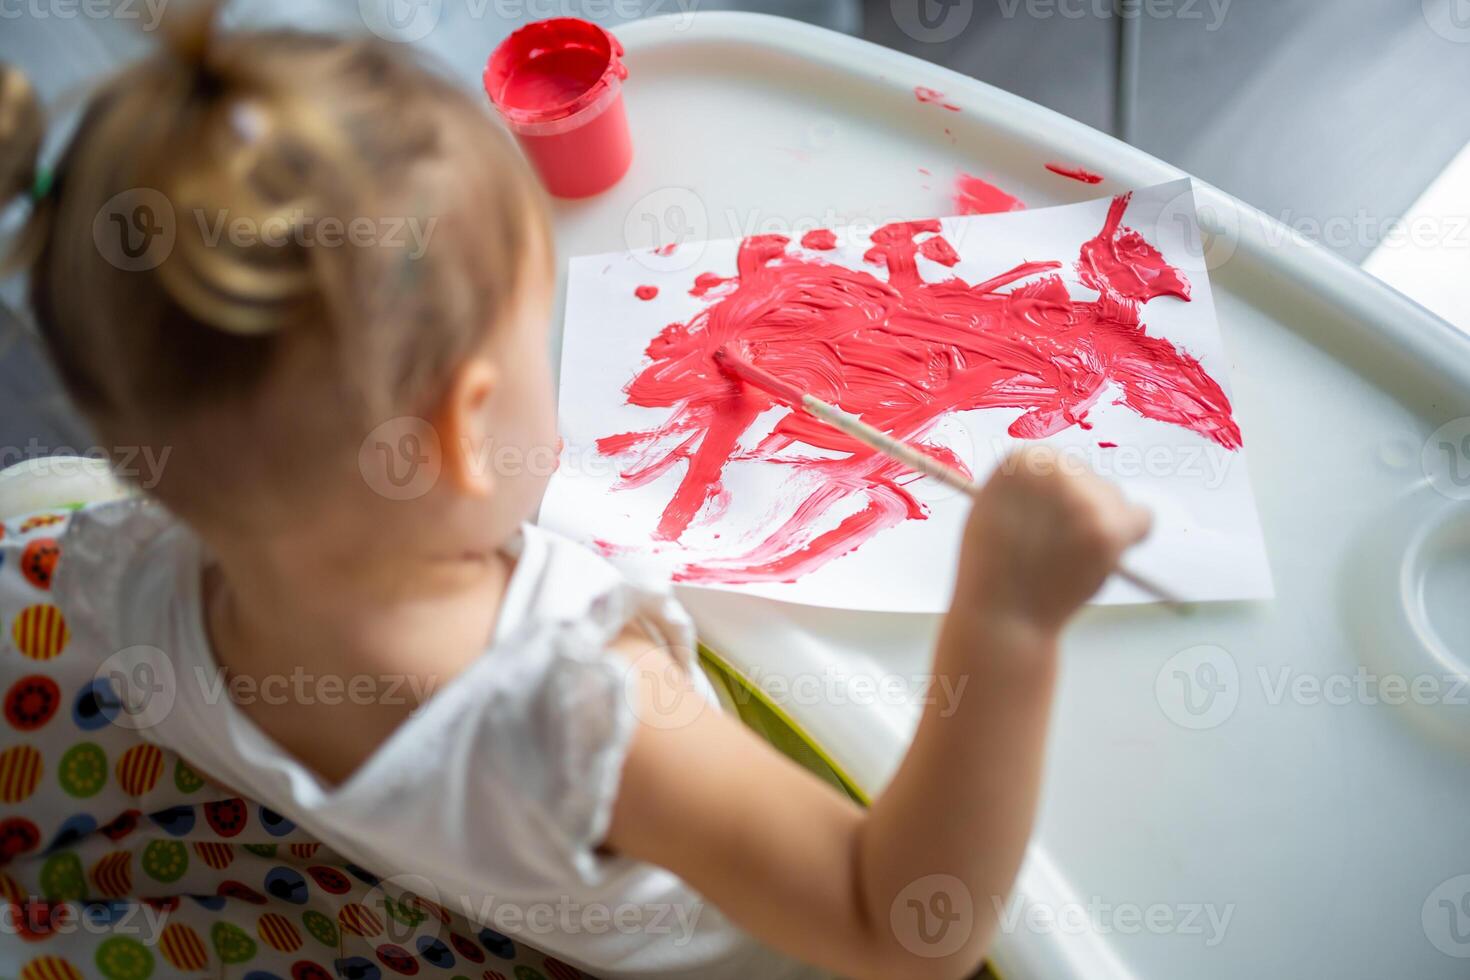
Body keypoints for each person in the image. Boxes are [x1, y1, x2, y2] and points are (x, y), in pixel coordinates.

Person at [0, 6, 1150, 977]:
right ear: (460, 429)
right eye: (537, 330)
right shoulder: (580, 705)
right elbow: (901, 925)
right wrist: (1009, 616)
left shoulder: (126, 564)